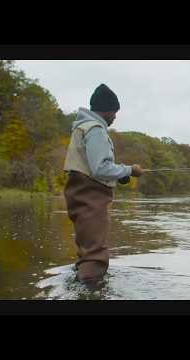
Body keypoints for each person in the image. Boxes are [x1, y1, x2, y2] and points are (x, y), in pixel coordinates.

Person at [63, 83, 142, 287]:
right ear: (106, 110)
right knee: (95, 255)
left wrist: (120, 176)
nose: (115, 117)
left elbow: (93, 167)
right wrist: (130, 170)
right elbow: (100, 168)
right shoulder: (96, 129)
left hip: (80, 193)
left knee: (87, 249)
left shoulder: (82, 127)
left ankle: (82, 284)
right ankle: (91, 289)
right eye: (114, 112)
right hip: (91, 195)